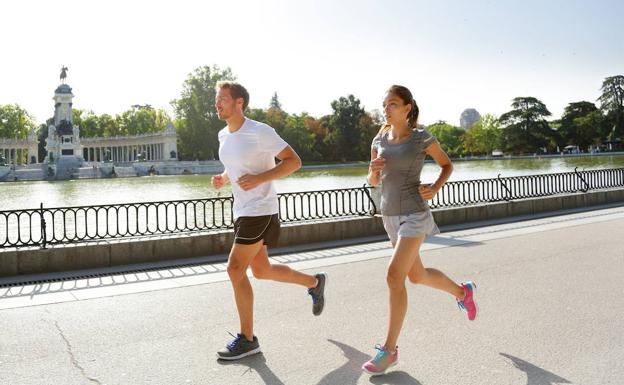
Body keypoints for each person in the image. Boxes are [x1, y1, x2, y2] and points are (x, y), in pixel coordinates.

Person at [362, 85, 478, 375]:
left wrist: (436, 187)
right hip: (388, 215)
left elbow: (446, 165)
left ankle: (388, 351)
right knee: (417, 276)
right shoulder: (379, 138)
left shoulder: (420, 137)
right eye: (384, 104)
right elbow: (373, 181)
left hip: (414, 213)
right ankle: (462, 292)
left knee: (393, 276)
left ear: (407, 107)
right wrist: (374, 170)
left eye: (392, 104)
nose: (386, 109)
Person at [212, 81, 327, 361]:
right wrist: (224, 177)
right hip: (242, 209)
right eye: (217, 99)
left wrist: (260, 179)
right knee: (261, 270)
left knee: (235, 268)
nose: (218, 103)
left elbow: (293, 161)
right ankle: (314, 283)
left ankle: (248, 339)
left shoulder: (260, 131)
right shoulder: (223, 134)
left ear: (240, 102)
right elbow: (235, 163)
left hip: (261, 209)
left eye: (223, 99)